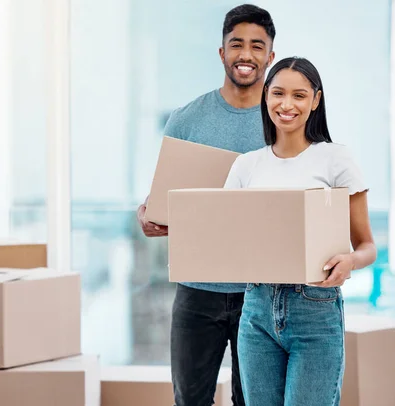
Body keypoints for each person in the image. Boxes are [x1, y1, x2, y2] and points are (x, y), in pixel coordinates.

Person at [136, 4, 276, 405]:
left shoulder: (283, 119)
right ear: (221, 53)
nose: (245, 55)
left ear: (270, 55)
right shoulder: (185, 120)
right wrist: (147, 215)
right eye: (236, 44)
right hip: (197, 291)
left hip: (261, 292)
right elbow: (160, 198)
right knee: (190, 401)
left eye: (256, 46)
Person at [224, 56, 377, 406]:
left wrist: (349, 262)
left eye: (299, 95)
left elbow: (367, 245)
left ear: (315, 101)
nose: (287, 105)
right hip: (256, 310)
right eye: (278, 93)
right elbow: (229, 237)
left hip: (315, 309)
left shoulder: (336, 160)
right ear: (266, 97)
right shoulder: (246, 166)